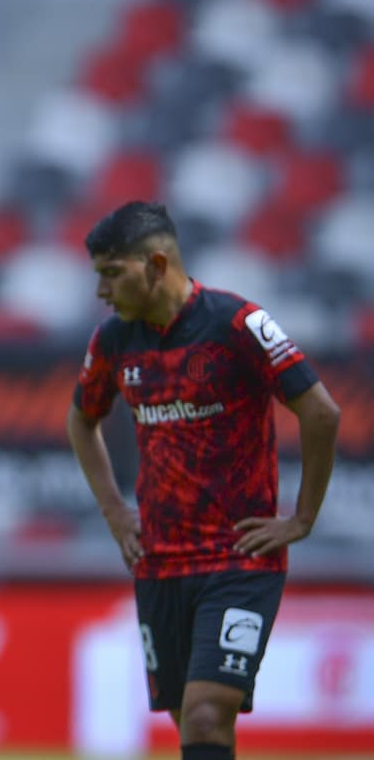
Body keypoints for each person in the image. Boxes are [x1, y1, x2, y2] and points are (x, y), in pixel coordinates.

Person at [66, 201, 340, 760]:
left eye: (112, 274)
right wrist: (115, 512)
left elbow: (322, 412)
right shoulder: (114, 342)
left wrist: (302, 518)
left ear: (157, 264)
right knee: (193, 727)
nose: (102, 291)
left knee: (207, 712)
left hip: (239, 558)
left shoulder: (237, 325)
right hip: (160, 561)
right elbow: (81, 418)